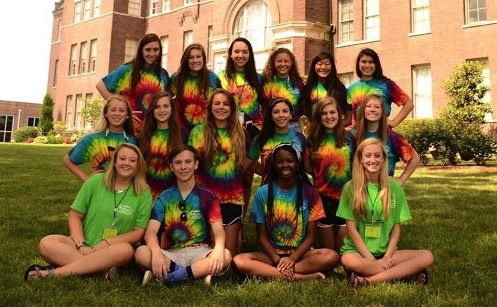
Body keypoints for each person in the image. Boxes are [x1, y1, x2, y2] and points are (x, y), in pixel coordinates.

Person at [24, 143, 153, 280]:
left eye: (132, 160)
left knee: (125, 250)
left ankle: (54, 273)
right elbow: (74, 216)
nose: (126, 163)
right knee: (47, 243)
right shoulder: (96, 181)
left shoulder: (143, 193)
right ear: (114, 162)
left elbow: (138, 232)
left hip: (114, 249)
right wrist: (81, 244)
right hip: (85, 244)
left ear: (138, 165)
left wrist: (107, 242)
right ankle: (101, 270)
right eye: (122, 158)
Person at [233, 143, 340, 280]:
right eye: (280, 161)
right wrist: (277, 260)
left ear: (297, 164)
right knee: (239, 261)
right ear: (274, 165)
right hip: (271, 255)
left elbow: (310, 237)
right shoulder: (263, 193)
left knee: (332, 256)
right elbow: (262, 237)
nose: (285, 165)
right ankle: (300, 276)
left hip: (301, 255)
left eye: (290, 161)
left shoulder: (310, 194)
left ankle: (275, 272)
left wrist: (293, 258)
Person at [336, 138, 434, 287]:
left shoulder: (395, 188)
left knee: (427, 256)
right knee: (348, 260)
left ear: (383, 159)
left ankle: (367, 280)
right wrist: (372, 260)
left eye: (377, 155)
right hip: (358, 253)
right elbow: (351, 230)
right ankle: (403, 273)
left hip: (386, 252)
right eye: (368, 156)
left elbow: (396, 227)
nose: (372, 160)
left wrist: (387, 256)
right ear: (361, 159)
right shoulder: (350, 188)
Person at [135, 145, 232, 285]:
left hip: (200, 252)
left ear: (196, 164)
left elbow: (218, 230)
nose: (183, 167)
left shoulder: (207, 196)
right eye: (178, 162)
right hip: (171, 253)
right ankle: (195, 274)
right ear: (171, 166)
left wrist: (218, 249)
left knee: (225, 255)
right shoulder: (164, 197)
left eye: (188, 162)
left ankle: (168, 277)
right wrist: (156, 253)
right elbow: (150, 232)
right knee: (141, 252)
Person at [188, 89, 247, 257]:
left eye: (226, 104)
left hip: (232, 197)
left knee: (229, 256)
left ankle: (239, 236)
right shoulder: (198, 132)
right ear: (210, 107)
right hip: (204, 197)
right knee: (206, 251)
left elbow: (245, 164)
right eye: (217, 103)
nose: (221, 107)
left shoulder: (240, 133)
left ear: (232, 109)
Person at [217, 37, 264, 211]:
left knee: (246, 176)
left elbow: (264, 104)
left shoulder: (258, 78)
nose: (240, 55)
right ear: (230, 54)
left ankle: (241, 223)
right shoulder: (221, 77)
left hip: (252, 131)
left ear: (250, 55)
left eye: (245, 52)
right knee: (230, 172)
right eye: (237, 51)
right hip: (228, 130)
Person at [305, 97, 355, 252]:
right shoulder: (312, 140)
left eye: (332, 112)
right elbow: (307, 165)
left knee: (341, 252)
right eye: (324, 113)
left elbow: (355, 164)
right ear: (319, 117)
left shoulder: (349, 137)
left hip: (346, 196)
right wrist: (319, 175)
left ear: (339, 114)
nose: (329, 117)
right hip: (323, 197)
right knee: (329, 252)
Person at [96, 33, 169, 135]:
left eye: (156, 50)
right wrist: (122, 108)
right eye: (148, 50)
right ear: (141, 51)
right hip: (129, 129)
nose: (152, 54)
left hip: (152, 131)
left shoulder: (163, 74)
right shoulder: (127, 71)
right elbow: (100, 86)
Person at [63, 95, 136, 181]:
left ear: (127, 115)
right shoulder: (92, 139)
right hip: (100, 190)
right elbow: (68, 160)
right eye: (113, 110)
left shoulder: (134, 140)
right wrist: (87, 180)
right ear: (106, 113)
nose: (117, 113)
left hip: (127, 190)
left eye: (121, 110)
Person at [354, 94, 420, 184]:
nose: (372, 109)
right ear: (363, 110)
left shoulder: (392, 137)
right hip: (359, 189)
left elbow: (414, 158)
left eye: (377, 107)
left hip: (384, 189)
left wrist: (401, 180)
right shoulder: (353, 135)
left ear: (383, 112)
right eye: (368, 106)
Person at [139, 91, 188, 200]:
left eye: (166, 106)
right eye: (157, 107)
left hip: (175, 196)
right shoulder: (144, 135)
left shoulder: (183, 134)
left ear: (172, 110)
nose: (162, 110)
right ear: (152, 110)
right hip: (147, 196)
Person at [347, 48, 413, 128]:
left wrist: (394, 122)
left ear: (376, 65)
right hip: (359, 136)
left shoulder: (387, 84)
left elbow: (409, 104)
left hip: (382, 135)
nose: (367, 65)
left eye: (371, 62)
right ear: (358, 64)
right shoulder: (351, 89)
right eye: (364, 62)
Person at [246, 98, 307, 184]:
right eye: (276, 112)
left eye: (285, 111)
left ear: (290, 115)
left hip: (295, 189)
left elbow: (306, 166)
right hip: (269, 189)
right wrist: (266, 172)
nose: (281, 115)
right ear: (271, 116)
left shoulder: (299, 137)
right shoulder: (262, 138)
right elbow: (248, 162)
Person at [170, 43, 221, 131]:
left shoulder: (213, 78)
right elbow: (166, 100)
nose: (195, 60)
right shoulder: (177, 78)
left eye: (198, 56)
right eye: (191, 57)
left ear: (203, 59)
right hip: (181, 131)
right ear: (186, 60)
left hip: (207, 131)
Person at [262, 48, 305, 132]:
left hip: (294, 126)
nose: (282, 64)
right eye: (279, 61)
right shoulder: (267, 83)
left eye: (286, 61)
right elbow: (263, 105)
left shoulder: (298, 83)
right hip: (272, 127)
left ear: (291, 63)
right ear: (273, 63)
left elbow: (303, 104)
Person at [304, 51, 351, 127]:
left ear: (332, 66)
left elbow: (348, 119)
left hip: (335, 134)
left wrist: (335, 127)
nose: (323, 67)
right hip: (315, 134)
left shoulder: (339, 87)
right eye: (320, 64)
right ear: (314, 66)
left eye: (327, 64)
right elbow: (308, 115)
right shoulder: (309, 87)